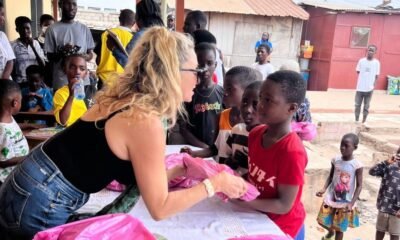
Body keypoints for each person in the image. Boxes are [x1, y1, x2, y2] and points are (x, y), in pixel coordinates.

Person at [0, 27, 247, 239]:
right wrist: (215, 184)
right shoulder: (145, 119)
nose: (200, 79)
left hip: (28, 186)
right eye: (195, 71)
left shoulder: (129, 100)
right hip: (37, 201)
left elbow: (144, 179)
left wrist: (182, 168)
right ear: (172, 73)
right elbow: (159, 207)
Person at [237, 70, 308, 239]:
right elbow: (257, 174)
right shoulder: (256, 134)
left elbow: (284, 205)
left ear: (291, 108)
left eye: (268, 100)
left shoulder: (292, 152)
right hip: (258, 215)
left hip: (282, 227)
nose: (260, 104)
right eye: (261, 97)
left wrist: (245, 202)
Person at [182, 66, 261, 162]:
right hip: (220, 173)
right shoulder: (222, 116)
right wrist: (194, 153)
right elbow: (215, 149)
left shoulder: (256, 125)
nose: (224, 93)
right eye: (224, 88)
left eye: (230, 88)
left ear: (246, 91)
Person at [316, 133, 363, 240]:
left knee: (340, 229)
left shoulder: (357, 165)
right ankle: (330, 231)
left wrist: (351, 203)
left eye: (346, 146)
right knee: (321, 221)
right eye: (342, 144)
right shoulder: (335, 160)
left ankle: (334, 232)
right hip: (331, 199)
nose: (342, 148)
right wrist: (323, 189)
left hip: (345, 203)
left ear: (355, 148)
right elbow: (331, 176)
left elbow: (359, 186)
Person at [180, 42, 223, 148]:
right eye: (200, 64)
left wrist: (213, 149)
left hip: (217, 150)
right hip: (194, 149)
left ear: (215, 65)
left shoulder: (222, 93)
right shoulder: (188, 94)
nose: (205, 68)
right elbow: (183, 128)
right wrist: (204, 148)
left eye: (209, 63)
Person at [45, 0, 95, 90]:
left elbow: (90, 54)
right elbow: (50, 57)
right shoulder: (52, 29)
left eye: (74, 4)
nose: (71, 7)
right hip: (62, 83)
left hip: (82, 82)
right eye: (68, 3)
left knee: (81, 104)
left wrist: (83, 57)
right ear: (60, 5)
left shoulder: (84, 29)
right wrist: (63, 51)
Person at [109, 0, 164, 68]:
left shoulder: (141, 36)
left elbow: (130, 66)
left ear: (140, 17)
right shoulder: (168, 36)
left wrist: (114, 49)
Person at [225, 81, 262, 176]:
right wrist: (231, 161)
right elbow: (226, 157)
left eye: (255, 104)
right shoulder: (237, 130)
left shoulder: (267, 139)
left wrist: (247, 163)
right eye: (244, 102)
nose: (247, 109)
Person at [96, 9, 135, 88]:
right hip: (123, 84)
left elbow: (98, 59)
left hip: (104, 80)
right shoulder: (134, 39)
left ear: (119, 19)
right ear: (134, 23)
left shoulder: (106, 34)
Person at [0, 80, 29, 183]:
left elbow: (12, 126)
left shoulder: (8, 117)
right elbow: (3, 162)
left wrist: (29, 126)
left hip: (14, 172)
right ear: (15, 103)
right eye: (21, 100)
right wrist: (27, 157)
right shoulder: (2, 130)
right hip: (5, 179)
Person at [369, 147, 400, 240]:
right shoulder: (389, 167)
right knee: (379, 231)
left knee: (394, 234)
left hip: (397, 211)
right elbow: (372, 172)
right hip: (383, 206)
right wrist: (386, 162)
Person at [53, 54, 88, 127]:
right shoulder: (60, 93)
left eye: (82, 69)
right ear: (65, 70)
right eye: (72, 67)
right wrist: (71, 95)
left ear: (86, 73)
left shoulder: (90, 91)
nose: (77, 72)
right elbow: (63, 121)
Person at [11, 16, 45, 87]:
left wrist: (32, 47)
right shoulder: (13, 45)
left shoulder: (35, 43)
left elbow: (42, 64)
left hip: (36, 82)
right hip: (21, 82)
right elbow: (12, 67)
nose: (25, 31)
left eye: (27, 28)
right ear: (17, 30)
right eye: (22, 28)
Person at [354, 45, 380, 123]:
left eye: (372, 50)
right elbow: (358, 71)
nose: (370, 52)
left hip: (369, 89)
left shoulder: (376, 63)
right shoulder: (361, 61)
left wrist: (372, 86)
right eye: (369, 50)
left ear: (375, 52)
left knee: (366, 106)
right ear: (367, 51)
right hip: (360, 88)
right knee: (357, 105)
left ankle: (364, 121)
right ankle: (356, 119)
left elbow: (376, 75)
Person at [0, 2, 15, 80]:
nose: (3, 18)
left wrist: (3, 80)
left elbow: (10, 61)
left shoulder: (2, 36)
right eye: (1, 14)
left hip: (4, 82)